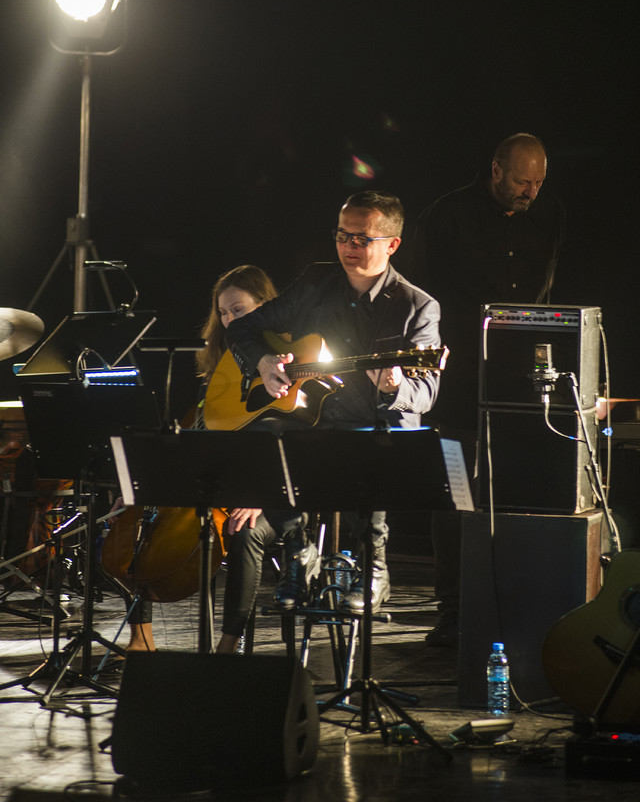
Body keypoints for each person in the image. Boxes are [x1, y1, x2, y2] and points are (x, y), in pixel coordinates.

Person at [224, 189, 442, 650]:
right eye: (342, 235)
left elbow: (425, 393)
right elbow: (243, 327)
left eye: (361, 239)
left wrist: (394, 386)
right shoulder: (314, 283)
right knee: (257, 441)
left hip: (371, 430)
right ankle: (299, 548)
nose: (348, 247)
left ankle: (372, 567)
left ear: (392, 244)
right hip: (312, 423)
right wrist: (263, 363)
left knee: (378, 443)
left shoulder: (417, 306)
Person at [413, 132, 565, 646]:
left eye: (539, 183)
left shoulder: (548, 217)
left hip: (518, 377)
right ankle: (453, 610)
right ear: (496, 170)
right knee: (455, 489)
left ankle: (510, 603)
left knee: (517, 485)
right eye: (523, 181)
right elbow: (426, 293)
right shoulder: (448, 214)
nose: (531, 192)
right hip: (456, 375)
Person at [113, 264, 308, 654]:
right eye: (223, 312)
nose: (229, 319)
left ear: (267, 307)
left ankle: (226, 645)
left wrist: (258, 492)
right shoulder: (220, 360)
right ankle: (141, 636)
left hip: (279, 490)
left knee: (244, 532)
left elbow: (300, 443)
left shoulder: (290, 359)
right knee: (136, 522)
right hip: (222, 483)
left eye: (238, 310)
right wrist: (148, 485)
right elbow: (198, 434)